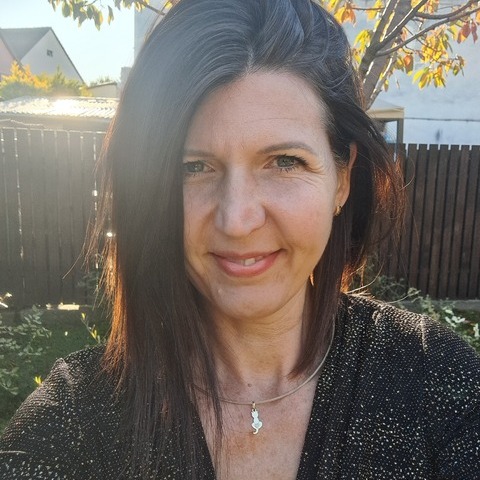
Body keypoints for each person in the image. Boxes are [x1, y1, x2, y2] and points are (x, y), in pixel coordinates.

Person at [1, 0, 479, 478]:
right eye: (193, 167)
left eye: (285, 162)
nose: (237, 220)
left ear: (342, 178)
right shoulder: (70, 426)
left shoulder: (438, 390)